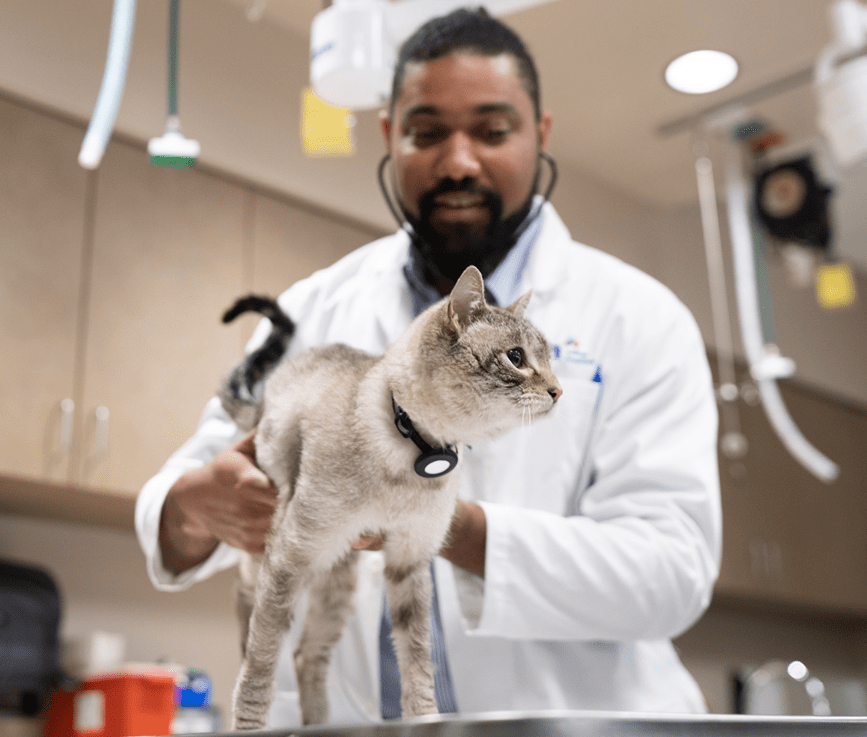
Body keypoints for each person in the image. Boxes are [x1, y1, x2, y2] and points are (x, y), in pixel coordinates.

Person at [136, 7, 721, 727]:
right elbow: (184, 500)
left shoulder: (639, 318)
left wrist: (442, 521)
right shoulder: (311, 310)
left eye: (492, 131)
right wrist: (197, 507)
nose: (458, 162)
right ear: (388, 134)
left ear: (540, 133)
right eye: (426, 132)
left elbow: (672, 572)